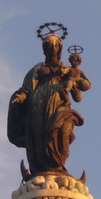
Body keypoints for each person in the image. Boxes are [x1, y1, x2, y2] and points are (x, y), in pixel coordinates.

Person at [7, 32, 91, 175]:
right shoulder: (38, 68)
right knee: (39, 135)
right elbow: (27, 88)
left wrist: (75, 82)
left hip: (60, 105)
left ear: (60, 48)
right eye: (48, 45)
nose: (52, 48)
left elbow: (79, 96)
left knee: (62, 132)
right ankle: (39, 168)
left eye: (55, 45)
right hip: (38, 105)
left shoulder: (67, 70)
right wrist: (20, 96)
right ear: (44, 49)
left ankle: (57, 165)